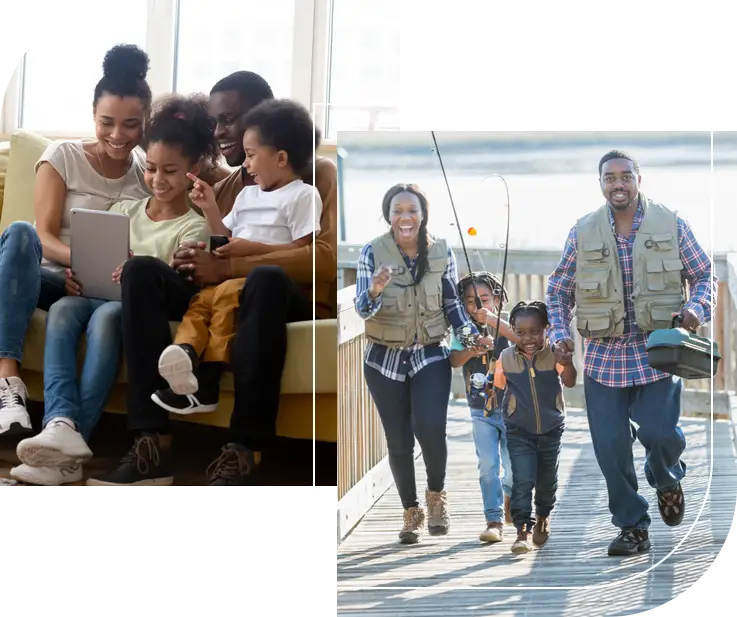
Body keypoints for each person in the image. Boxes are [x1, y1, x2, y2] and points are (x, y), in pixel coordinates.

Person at [86, 71, 337, 487]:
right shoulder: (229, 184)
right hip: (223, 290)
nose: (219, 132)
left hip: (285, 298)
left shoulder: (315, 175)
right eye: (215, 122)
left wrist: (229, 267)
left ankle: (243, 449)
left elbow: (323, 258)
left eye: (228, 121)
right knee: (142, 272)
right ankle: (153, 444)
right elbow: (215, 240)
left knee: (266, 281)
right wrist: (189, 260)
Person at [11, 93, 214, 486]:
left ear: (193, 170)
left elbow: (173, 284)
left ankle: (71, 448)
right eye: (152, 169)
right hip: (95, 293)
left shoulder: (193, 227)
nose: (157, 179)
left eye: (170, 171)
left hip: (129, 307)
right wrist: (81, 272)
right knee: (65, 308)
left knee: (105, 316)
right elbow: (96, 252)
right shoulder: (125, 208)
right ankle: (59, 422)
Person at [546, 150, 715, 556]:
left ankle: (666, 476)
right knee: (610, 447)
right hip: (604, 360)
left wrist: (696, 309)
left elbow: (705, 274)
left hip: (658, 354)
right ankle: (632, 526)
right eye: (609, 178)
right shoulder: (582, 231)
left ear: (639, 179)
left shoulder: (672, 223)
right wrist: (557, 330)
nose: (617, 184)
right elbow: (557, 289)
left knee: (659, 433)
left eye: (625, 176)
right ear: (601, 183)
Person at [0, 44, 152, 437]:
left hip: (102, 289)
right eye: (107, 122)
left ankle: (67, 435)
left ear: (146, 122)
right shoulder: (63, 155)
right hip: (47, 277)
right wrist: (76, 263)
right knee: (19, 232)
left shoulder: (146, 175)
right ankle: (7, 385)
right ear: (93, 116)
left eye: (131, 124)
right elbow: (43, 235)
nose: (117, 135)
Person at [152, 99, 322, 411]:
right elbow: (225, 237)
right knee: (200, 302)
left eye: (252, 155)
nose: (245, 164)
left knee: (225, 297)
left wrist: (250, 249)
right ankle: (185, 352)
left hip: (263, 285)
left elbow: (303, 250)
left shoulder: (302, 195)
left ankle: (210, 375)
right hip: (230, 276)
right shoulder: (247, 194)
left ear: (281, 158)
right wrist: (210, 208)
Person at [354, 183, 493, 545]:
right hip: (383, 357)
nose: (405, 217)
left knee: (431, 428)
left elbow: (452, 305)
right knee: (398, 438)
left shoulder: (442, 251)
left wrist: (473, 335)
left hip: (429, 351)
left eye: (412, 210)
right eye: (397, 210)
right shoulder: (372, 251)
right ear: (388, 215)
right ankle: (410, 511)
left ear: (423, 214)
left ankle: (436, 498)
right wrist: (375, 290)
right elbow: (362, 308)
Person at [493, 301, 577, 554]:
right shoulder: (505, 358)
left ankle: (543, 517)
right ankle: (522, 530)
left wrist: (568, 362)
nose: (528, 338)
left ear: (546, 330)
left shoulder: (555, 354)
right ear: (513, 331)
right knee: (523, 479)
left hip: (551, 428)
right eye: (521, 332)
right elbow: (497, 391)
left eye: (535, 331)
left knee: (547, 481)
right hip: (519, 430)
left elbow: (570, 382)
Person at [449, 271, 519, 543]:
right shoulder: (463, 330)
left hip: (513, 409)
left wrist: (492, 320)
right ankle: (494, 519)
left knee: (513, 467)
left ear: (498, 299)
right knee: (488, 465)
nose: (476, 305)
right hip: (480, 409)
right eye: (469, 301)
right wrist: (473, 349)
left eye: (484, 299)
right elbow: (454, 360)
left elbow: (520, 337)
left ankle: (510, 496)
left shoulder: (510, 323)